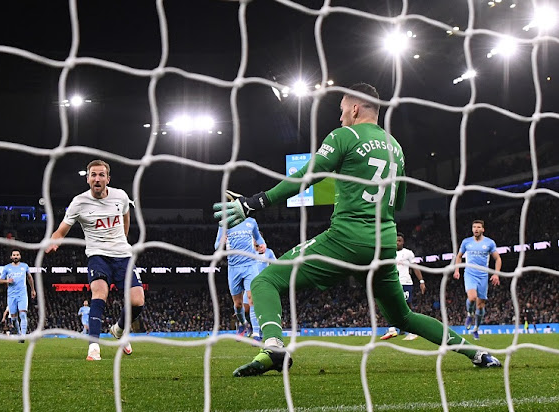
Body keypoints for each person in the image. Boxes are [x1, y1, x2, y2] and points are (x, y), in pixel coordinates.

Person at [213, 82, 501, 377]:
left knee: (265, 281)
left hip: (346, 239)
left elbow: (306, 176)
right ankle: (475, 351)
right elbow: (398, 201)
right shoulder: (395, 147)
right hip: (384, 244)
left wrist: (254, 203)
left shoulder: (344, 135)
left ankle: (273, 346)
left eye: (341, 110)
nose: (339, 117)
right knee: (403, 317)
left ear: (354, 108)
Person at [46, 159, 144, 361]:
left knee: (138, 301)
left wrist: (123, 240)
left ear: (108, 179)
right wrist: (54, 242)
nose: (97, 178)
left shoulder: (120, 196)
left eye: (101, 175)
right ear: (88, 179)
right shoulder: (79, 203)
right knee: (99, 294)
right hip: (97, 255)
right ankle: (93, 347)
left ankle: (118, 329)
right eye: (93, 175)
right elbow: (61, 230)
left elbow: (126, 216)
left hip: (122, 255)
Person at [214, 217, 266, 337]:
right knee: (238, 304)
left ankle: (256, 333)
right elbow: (216, 246)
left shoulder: (251, 221)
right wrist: (221, 242)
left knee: (252, 298)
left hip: (250, 265)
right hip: (234, 268)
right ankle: (243, 323)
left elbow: (258, 237)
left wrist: (262, 244)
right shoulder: (224, 224)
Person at [453, 220, 501, 340]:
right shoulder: (466, 242)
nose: (476, 229)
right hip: (470, 274)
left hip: (483, 276)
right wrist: (457, 270)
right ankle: (469, 314)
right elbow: (459, 256)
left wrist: (496, 274)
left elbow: (498, 259)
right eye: (474, 227)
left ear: (482, 229)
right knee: (472, 297)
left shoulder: (489, 243)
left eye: (478, 227)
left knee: (480, 306)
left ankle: (476, 329)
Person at [380, 232, 425, 341]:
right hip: (393, 283)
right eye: (396, 240)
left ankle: (412, 332)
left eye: (399, 240)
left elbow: (415, 266)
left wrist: (421, 281)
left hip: (405, 282)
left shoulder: (408, 253)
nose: (397, 242)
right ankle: (392, 330)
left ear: (403, 242)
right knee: (390, 305)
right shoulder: (389, 253)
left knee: (407, 306)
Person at [0, 250, 37, 341]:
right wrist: (7, 281)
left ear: (20, 256)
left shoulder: (24, 266)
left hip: (22, 294)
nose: (15, 256)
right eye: (14, 255)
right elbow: (0, 280)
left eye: (17, 255)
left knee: (23, 314)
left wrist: (33, 289)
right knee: (14, 318)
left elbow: (30, 277)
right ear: (11, 257)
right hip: (11, 296)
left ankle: (23, 335)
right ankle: (19, 333)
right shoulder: (7, 268)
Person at [251, 240, 276, 341]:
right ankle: (255, 331)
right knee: (249, 307)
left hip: (263, 282)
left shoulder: (269, 252)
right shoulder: (249, 252)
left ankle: (257, 332)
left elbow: (276, 264)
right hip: (251, 282)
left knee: (261, 307)